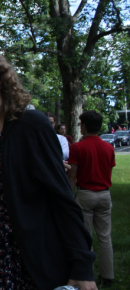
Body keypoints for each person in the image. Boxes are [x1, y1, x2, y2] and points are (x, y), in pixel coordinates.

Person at [0, 46, 97, 290]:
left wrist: (82, 266)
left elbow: (62, 199)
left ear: (1, 76)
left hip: (39, 253)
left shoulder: (31, 125)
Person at [68, 110, 116, 288]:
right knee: (105, 237)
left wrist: (69, 195)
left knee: (86, 238)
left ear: (84, 126)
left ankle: (88, 275)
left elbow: (72, 175)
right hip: (104, 193)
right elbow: (109, 173)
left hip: (86, 194)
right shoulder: (108, 147)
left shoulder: (77, 148)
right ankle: (108, 275)